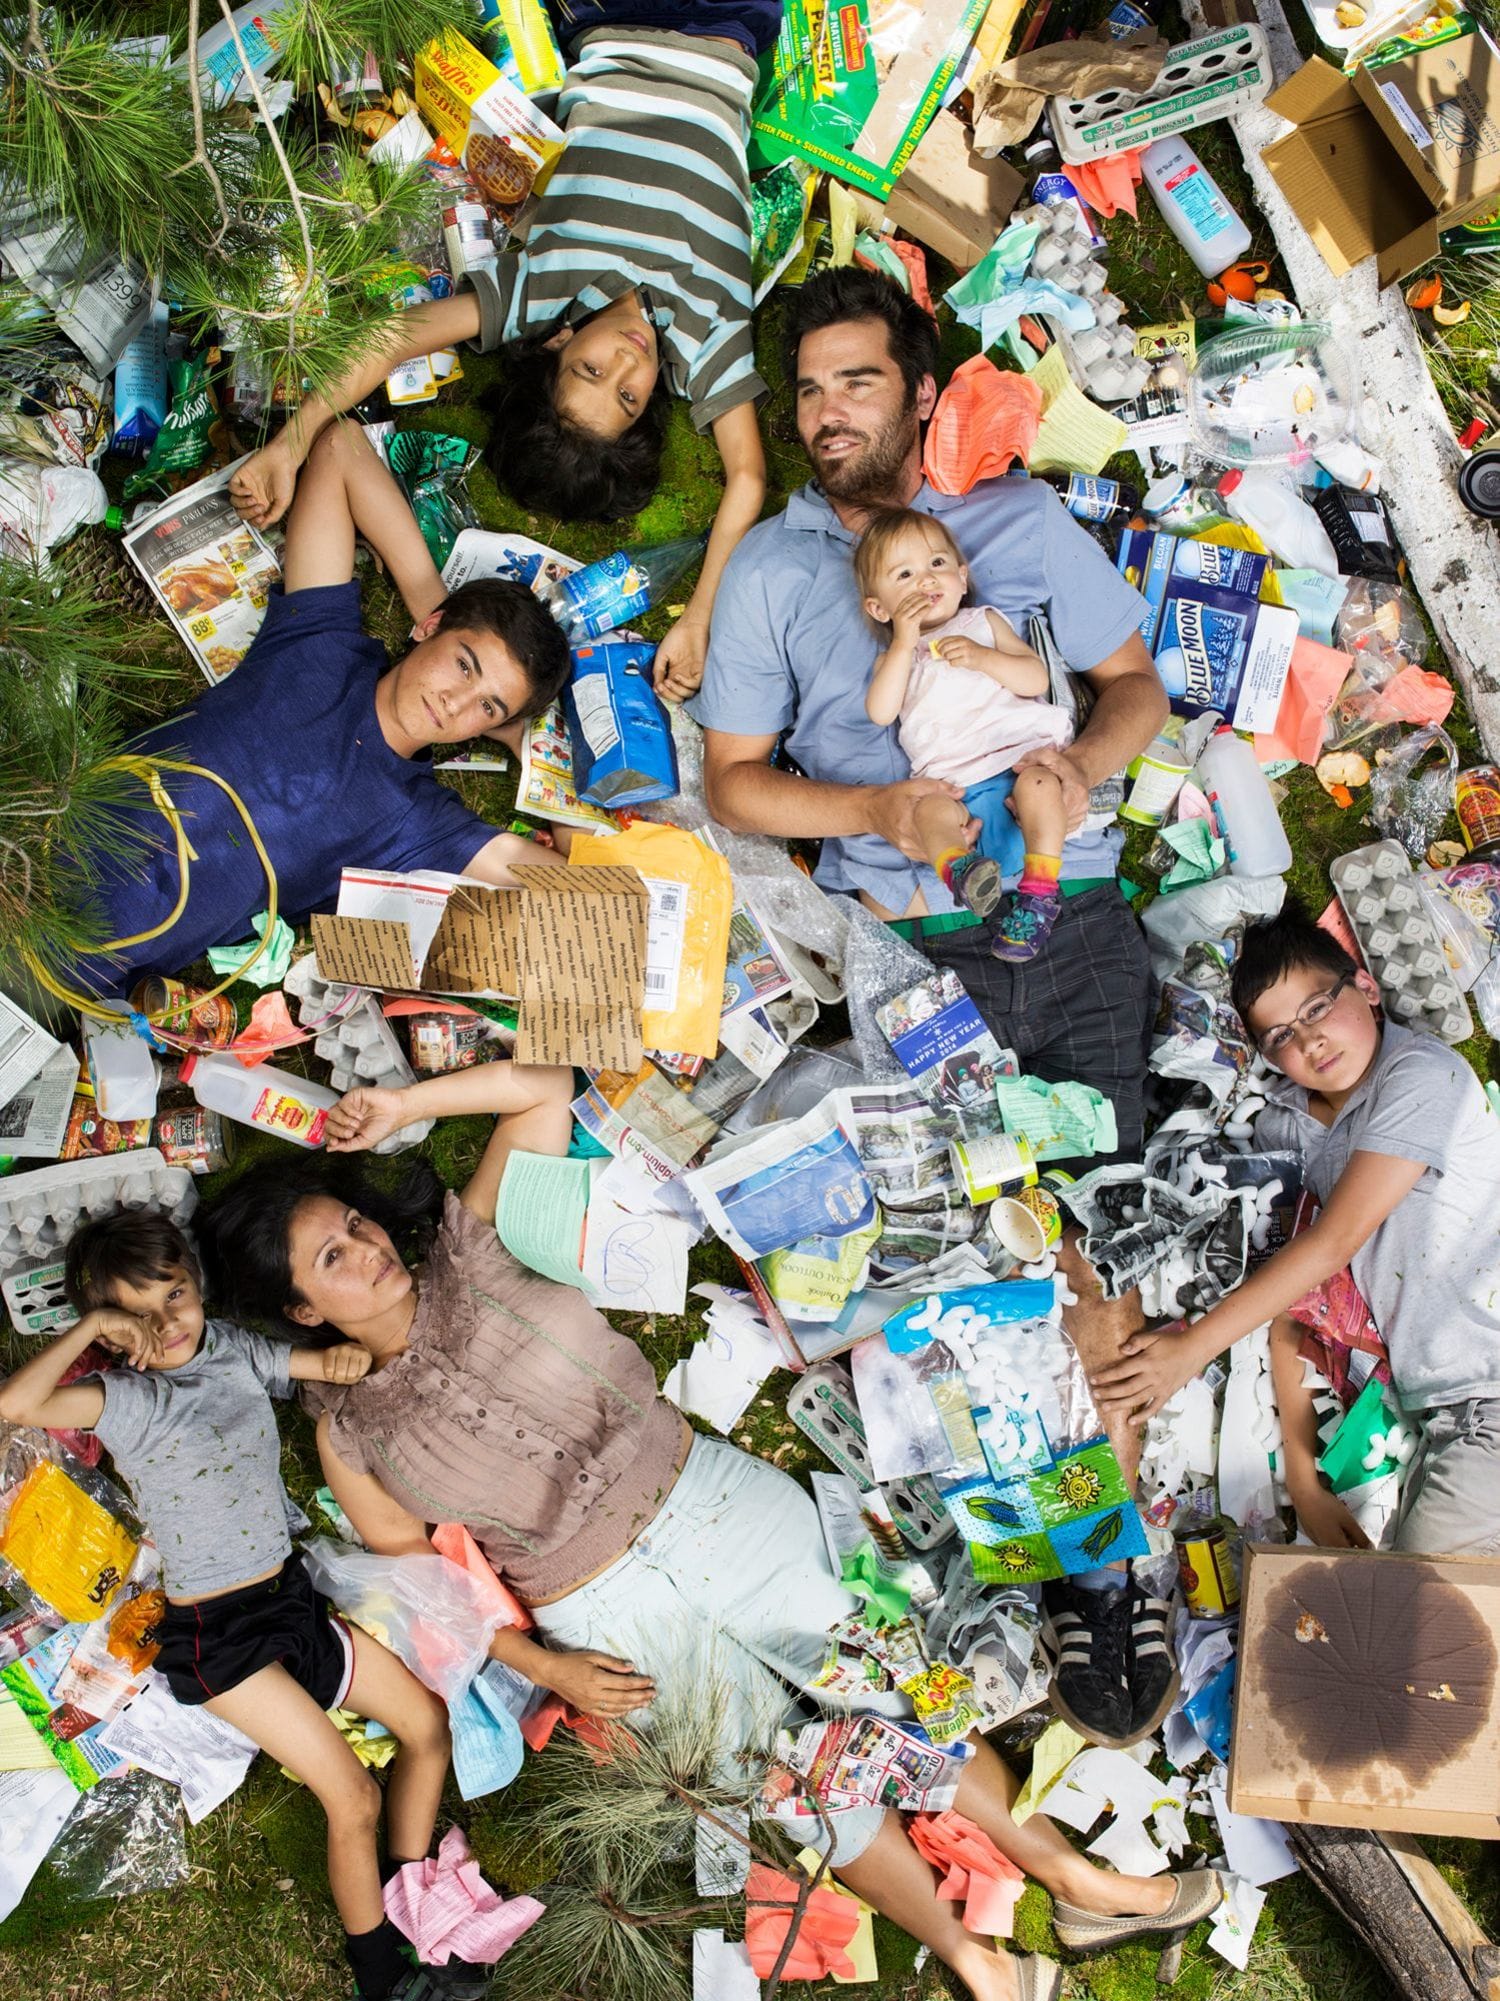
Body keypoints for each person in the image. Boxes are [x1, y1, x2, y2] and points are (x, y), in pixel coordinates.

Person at [199, 1072, 1221, 2001]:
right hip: (596, 1607)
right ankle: (972, 1958)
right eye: (333, 1257)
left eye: (355, 1224)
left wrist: (403, 1114)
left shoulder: (476, 1244)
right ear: (299, 1310)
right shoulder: (348, 1436)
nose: (369, 1247)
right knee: (789, 1776)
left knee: (904, 1684)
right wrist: (543, 1668)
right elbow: (422, 1589)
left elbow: (541, 1090)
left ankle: (1072, 1877)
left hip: (712, 1503)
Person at [689, 264, 1172, 1742]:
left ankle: (1106, 1568)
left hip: (1073, 902)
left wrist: (1080, 772)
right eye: (807, 391)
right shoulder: (774, 575)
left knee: (1107, 1225)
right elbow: (735, 785)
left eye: (856, 381)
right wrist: (878, 814)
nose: (829, 413)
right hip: (917, 943)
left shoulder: (1018, 523)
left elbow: (1136, 680)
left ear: (915, 385)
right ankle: (1066, 1559)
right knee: (971, 1261)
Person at [228, 3, 775, 702]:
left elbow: (394, 337)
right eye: (629, 397)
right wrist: (697, 619)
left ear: (558, 344)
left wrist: (290, 443)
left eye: (592, 371)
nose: (630, 362)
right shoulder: (706, 339)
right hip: (728, 29)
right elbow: (749, 479)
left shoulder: (540, 292)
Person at [0, 1211, 459, 2001]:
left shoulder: (233, 1351)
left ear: (197, 1285)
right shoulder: (121, 1398)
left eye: (173, 1295)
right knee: (352, 1796)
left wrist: (345, 1358)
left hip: (289, 1599)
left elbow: (318, 1362)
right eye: (134, 1311)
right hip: (218, 1639)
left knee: (427, 1725)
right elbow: (15, 1403)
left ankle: (413, 1904)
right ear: (112, 1327)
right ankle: (385, 1980)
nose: (164, 1323)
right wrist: (92, 1330)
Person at [67, 419, 569, 1006]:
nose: (456, 701)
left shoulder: (417, 821)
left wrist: (535, 753)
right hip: (45, 817)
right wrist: (432, 601)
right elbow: (340, 447)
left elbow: (579, 898)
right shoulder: (323, 646)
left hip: (76, 960)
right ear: (431, 629)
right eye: (463, 664)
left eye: (488, 705)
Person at [1093, 903, 1500, 1560]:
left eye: (1316, 1009)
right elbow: (1301, 1293)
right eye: (1279, 1035)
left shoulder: (1425, 1075)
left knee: (1421, 1625)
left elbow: (1332, 1242)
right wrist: (1305, 1478)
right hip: (1437, 1418)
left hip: (1488, 1394)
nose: (1307, 1040)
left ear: (1366, 988)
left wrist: (1191, 1348)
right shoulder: (1287, 1130)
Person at [857, 507, 1072, 959]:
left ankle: (1039, 893)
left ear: (962, 575)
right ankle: (961, 870)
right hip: (954, 787)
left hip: (1018, 760)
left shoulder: (983, 623)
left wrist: (981, 658)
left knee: (1042, 785)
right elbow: (880, 712)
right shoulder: (897, 658)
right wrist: (902, 641)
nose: (925, 581)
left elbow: (1034, 679)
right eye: (904, 575)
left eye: (937, 564)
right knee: (927, 811)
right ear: (879, 608)